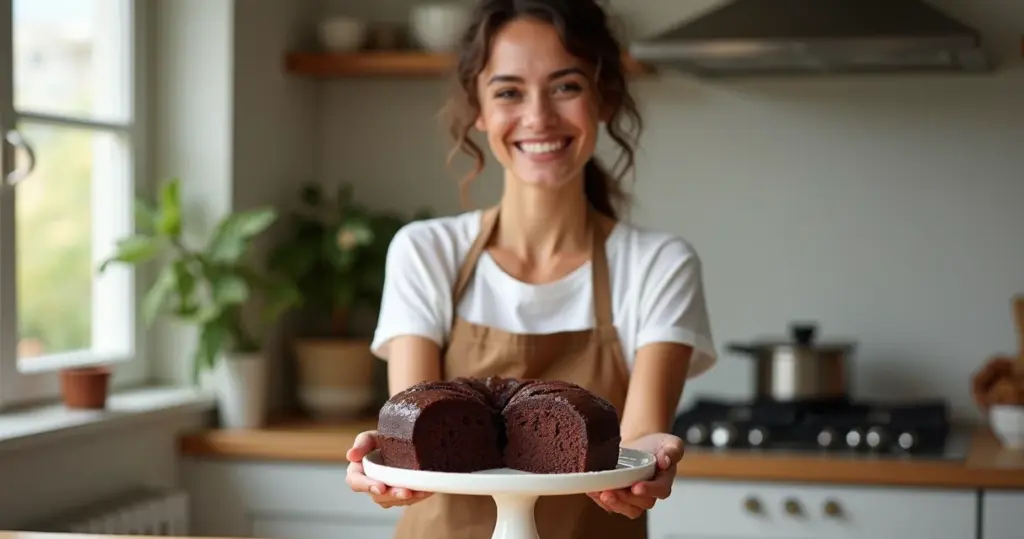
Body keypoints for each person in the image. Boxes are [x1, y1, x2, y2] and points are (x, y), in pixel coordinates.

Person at [345, 0, 717, 537]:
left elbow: (635, 446)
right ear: (478, 107)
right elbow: (415, 427)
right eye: (508, 92)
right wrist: (388, 463)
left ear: (605, 97)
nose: (538, 117)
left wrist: (646, 463)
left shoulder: (658, 266)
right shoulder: (425, 252)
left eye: (566, 86)